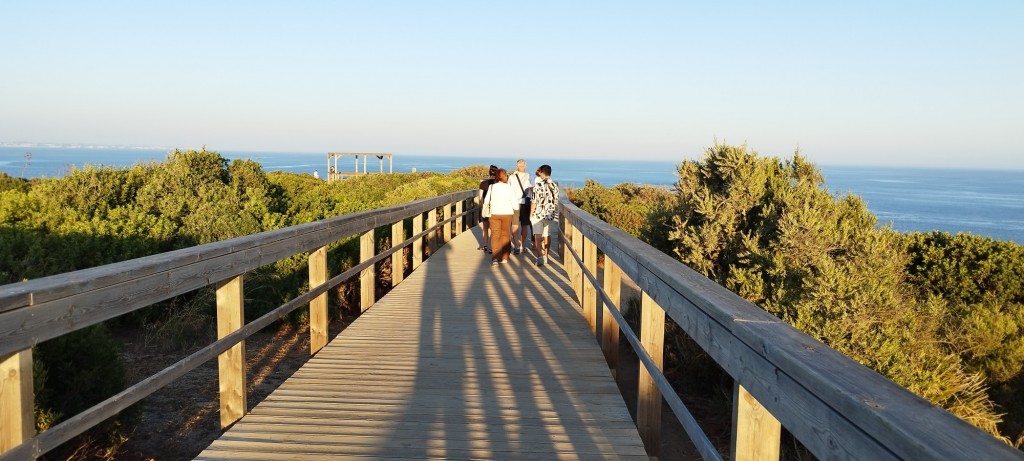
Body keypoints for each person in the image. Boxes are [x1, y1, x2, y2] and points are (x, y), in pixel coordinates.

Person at [485, 169, 519, 265]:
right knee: (505, 234)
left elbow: (486, 201)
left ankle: (495, 258)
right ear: (505, 176)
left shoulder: (492, 187)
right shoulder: (509, 188)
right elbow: (515, 205)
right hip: (507, 213)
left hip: (494, 213)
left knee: (495, 235)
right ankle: (505, 257)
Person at [530, 164, 559, 266]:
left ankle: (539, 256)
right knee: (547, 234)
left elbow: (534, 201)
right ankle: (546, 256)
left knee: (537, 235)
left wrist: (531, 214)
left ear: (542, 173)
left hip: (538, 213)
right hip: (549, 214)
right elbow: (556, 200)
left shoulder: (537, 186)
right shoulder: (555, 186)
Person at [508, 159, 532, 255]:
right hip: (526, 203)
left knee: (514, 225)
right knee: (524, 225)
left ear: (517, 166)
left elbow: (509, 190)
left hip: (514, 204)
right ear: (525, 166)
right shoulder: (530, 177)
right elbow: (532, 190)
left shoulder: (511, 177)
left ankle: (516, 246)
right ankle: (523, 245)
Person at [477, 165, 498, 252]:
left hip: (486, 208)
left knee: (485, 228)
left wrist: (482, 207)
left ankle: (485, 246)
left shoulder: (483, 183)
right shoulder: (498, 184)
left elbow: (480, 197)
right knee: (494, 229)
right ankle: (492, 247)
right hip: (496, 209)